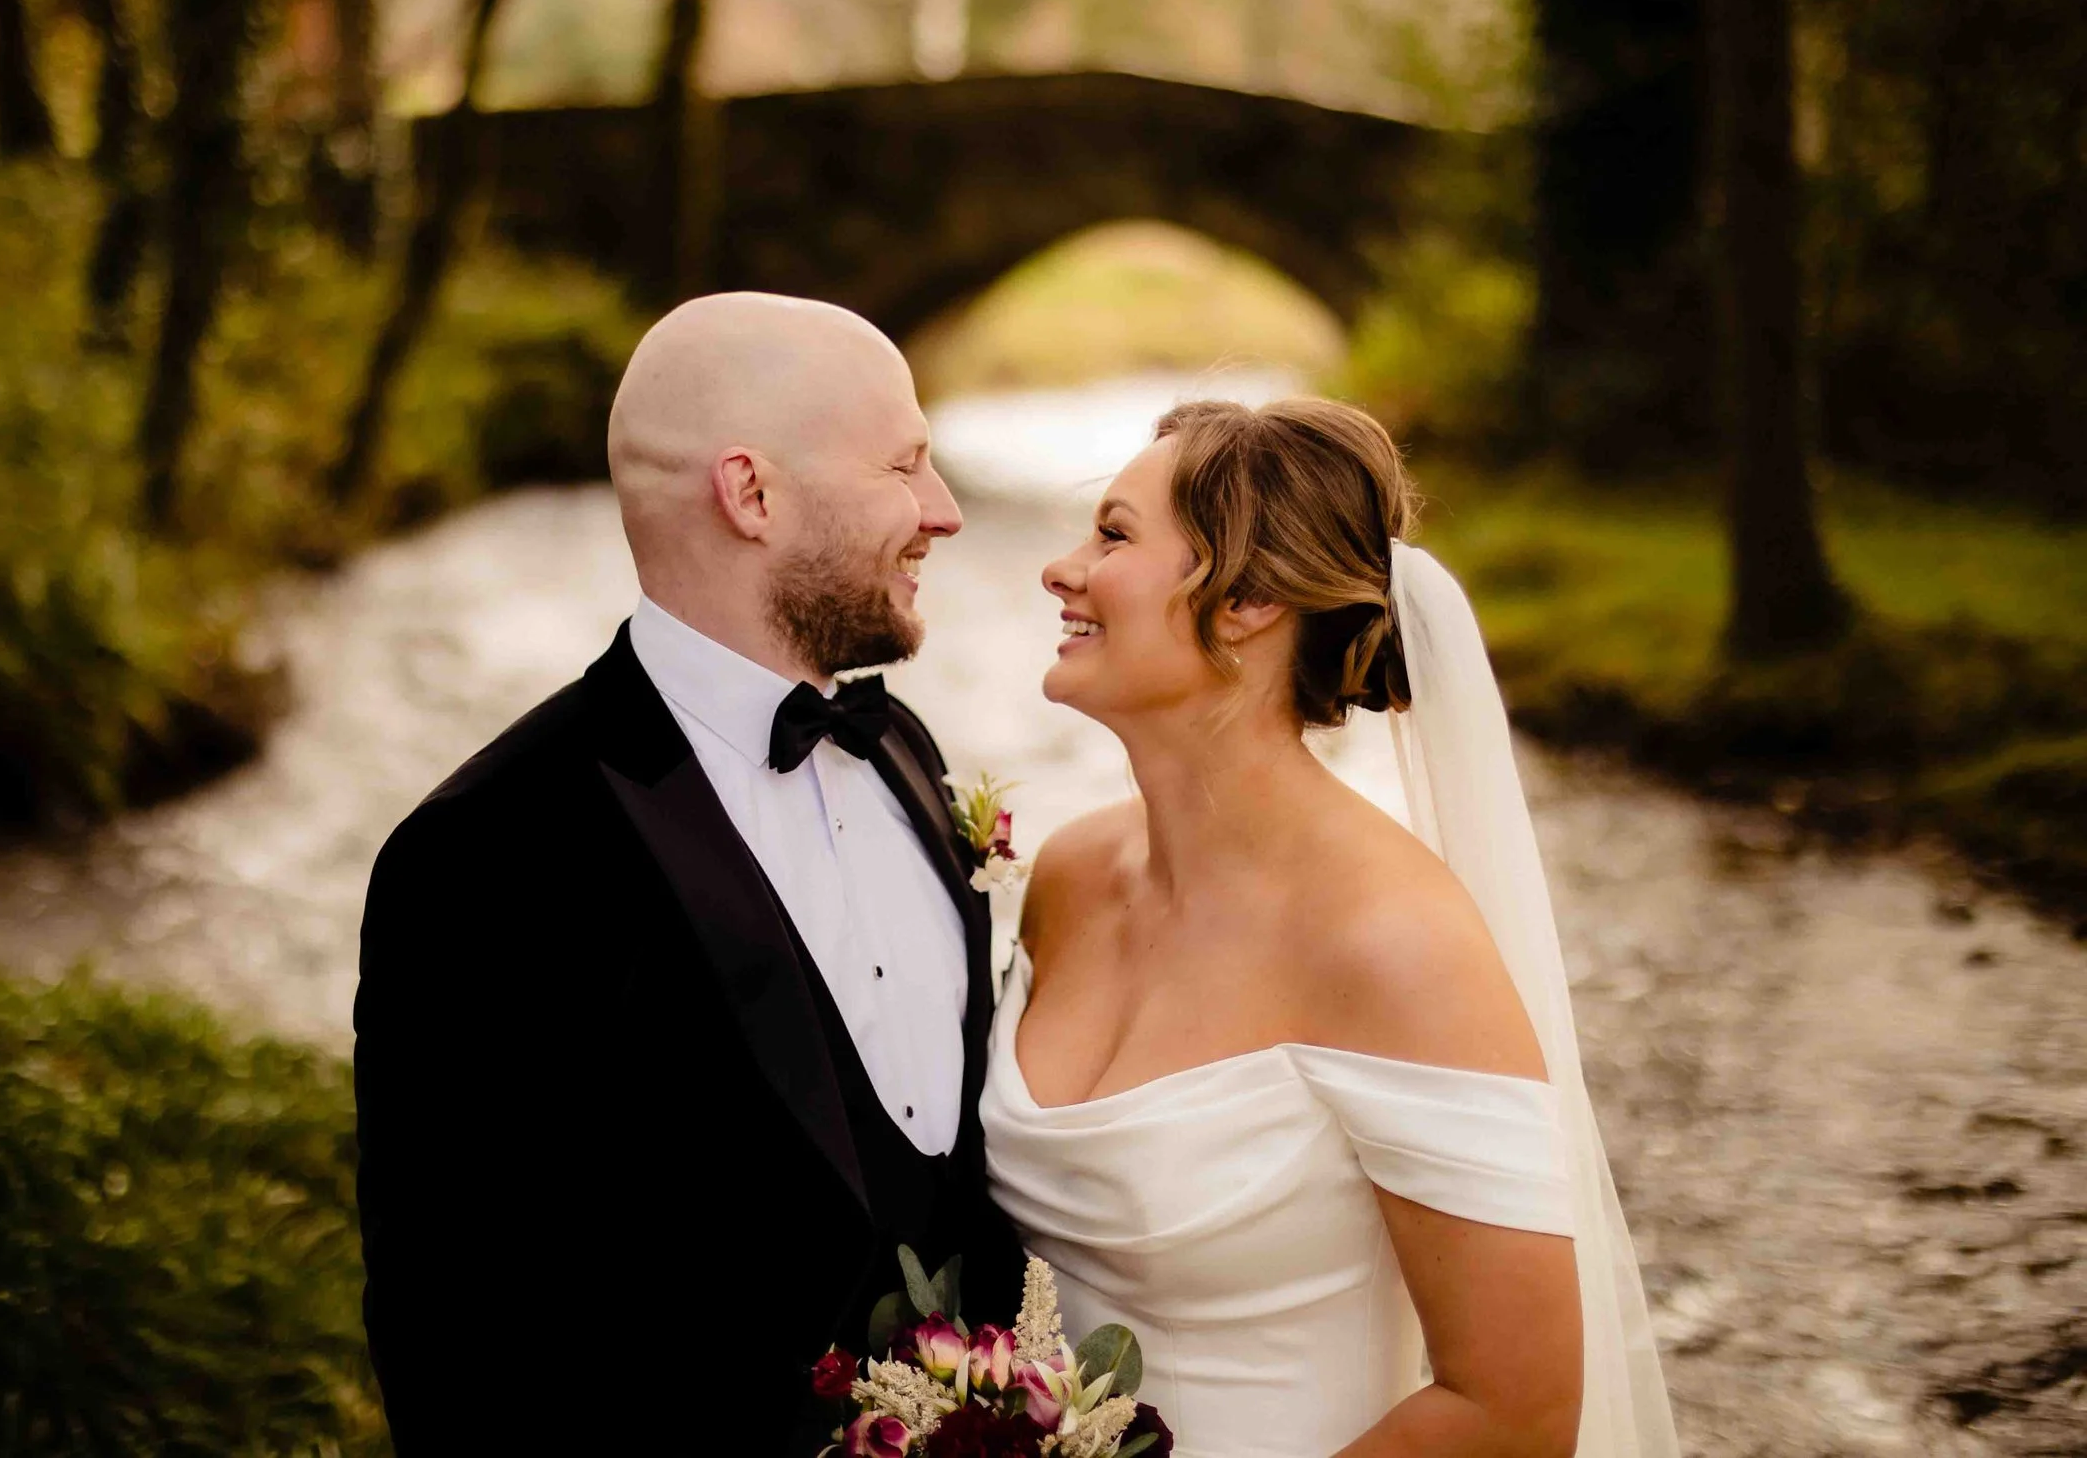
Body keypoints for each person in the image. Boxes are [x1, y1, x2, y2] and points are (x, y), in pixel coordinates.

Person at [353, 292, 1023, 1456]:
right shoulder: (485, 851)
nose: (945, 511)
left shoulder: (904, 750)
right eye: (906, 466)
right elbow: (454, 1346)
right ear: (751, 493)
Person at [984, 397, 1679, 1458]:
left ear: (1250, 599)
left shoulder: (1394, 940)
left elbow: (1514, 1410)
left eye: (1114, 535)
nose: (1061, 568)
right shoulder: (1072, 875)